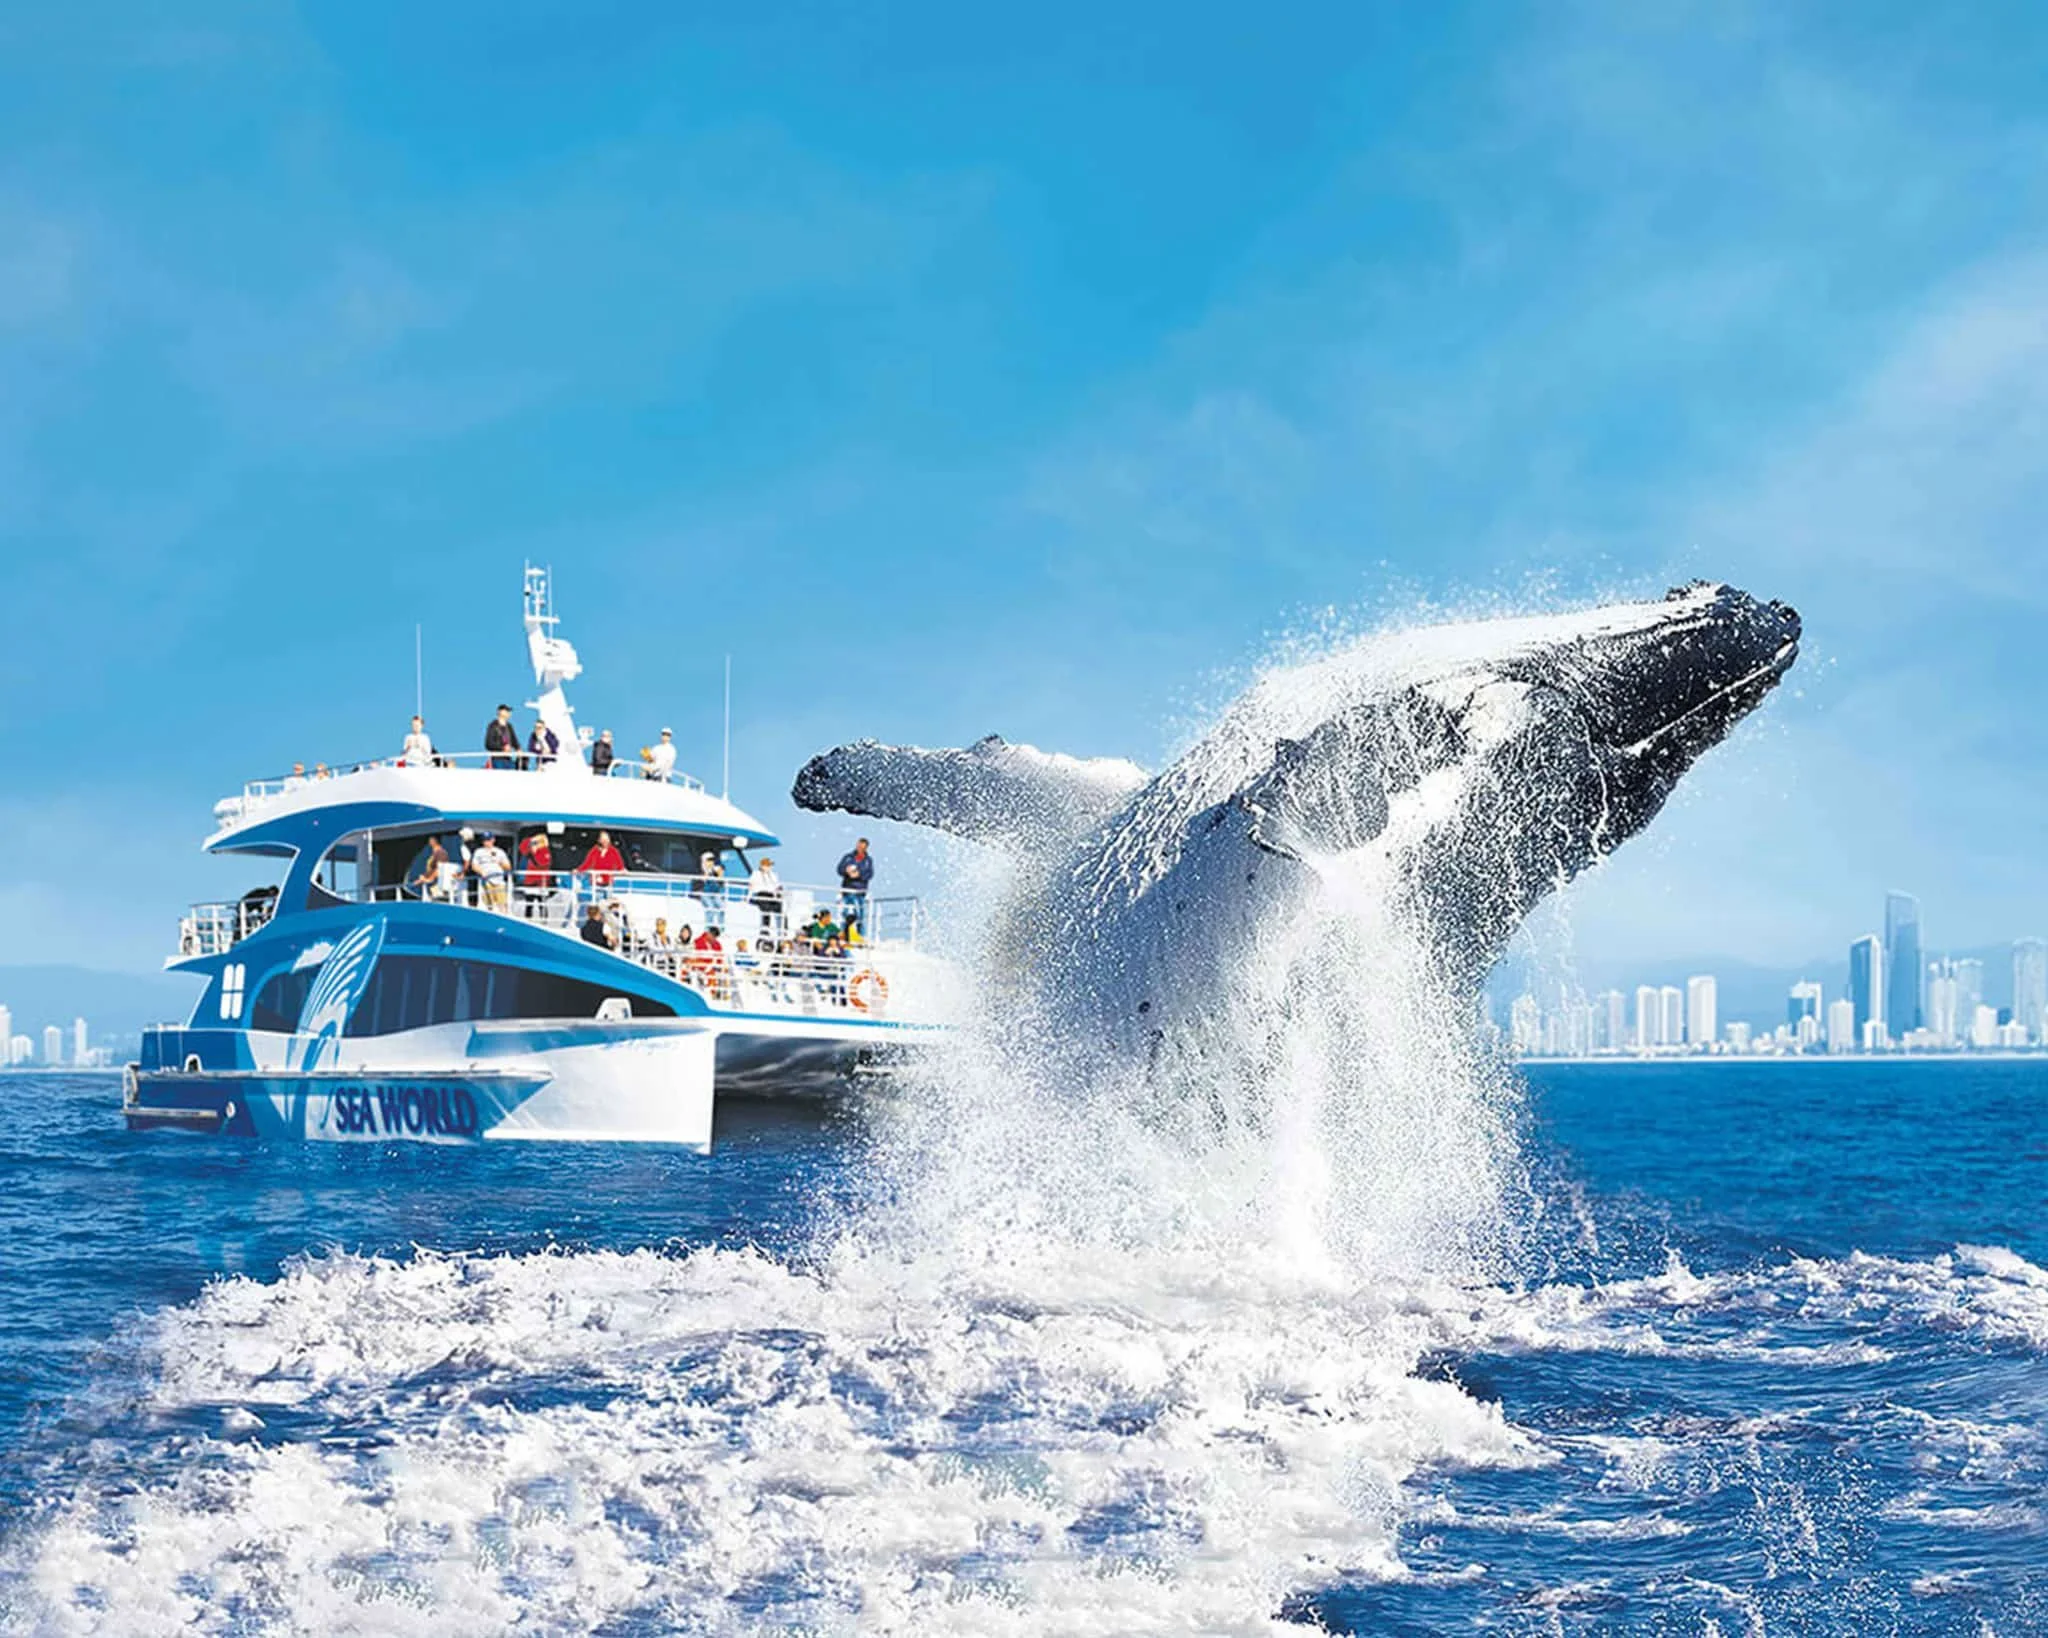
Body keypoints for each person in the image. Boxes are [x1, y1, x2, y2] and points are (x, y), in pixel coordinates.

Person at [836, 838, 874, 935]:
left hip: (860, 891)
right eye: (859, 846)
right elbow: (839, 869)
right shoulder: (848, 857)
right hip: (847, 889)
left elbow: (869, 874)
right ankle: (843, 934)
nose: (860, 848)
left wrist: (859, 874)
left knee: (859, 915)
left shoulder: (868, 861)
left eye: (862, 847)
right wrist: (847, 871)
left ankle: (860, 936)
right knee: (844, 913)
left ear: (866, 847)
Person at [471, 832, 511, 911]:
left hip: (499, 881)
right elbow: (474, 866)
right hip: (486, 881)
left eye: (488, 840)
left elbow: (508, 867)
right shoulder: (478, 852)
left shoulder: (500, 852)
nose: (486, 842)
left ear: (493, 840)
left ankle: (503, 919)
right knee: (488, 904)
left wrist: (498, 861)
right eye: (484, 840)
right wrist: (481, 872)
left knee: (502, 904)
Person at [517, 832, 553, 919]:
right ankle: (527, 921)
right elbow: (521, 848)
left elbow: (542, 863)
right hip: (530, 882)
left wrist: (534, 852)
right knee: (529, 905)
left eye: (537, 842)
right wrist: (530, 840)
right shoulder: (531, 851)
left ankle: (544, 922)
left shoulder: (545, 851)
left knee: (542, 904)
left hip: (541, 883)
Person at [749, 854, 784, 938]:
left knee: (780, 907)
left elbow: (777, 886)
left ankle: (782, 929)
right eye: (767, 865)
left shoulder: (773, 875)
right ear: (762, 866)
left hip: (771, 895)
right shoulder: (756, 874)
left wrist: (779, 891)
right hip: (760, 894)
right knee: (766, 908)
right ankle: (765, 929)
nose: (769, 867)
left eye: (770, 865)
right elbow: (751, 885)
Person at [485, 704, 520, 770]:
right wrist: (502, 748)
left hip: (508, 759)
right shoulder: (493, 726)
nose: (509, 713)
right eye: (507, 711)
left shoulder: (509, 726)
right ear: (500, 712)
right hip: (497, 760)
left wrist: (518, 748)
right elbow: (488, 744)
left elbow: (514, 741)